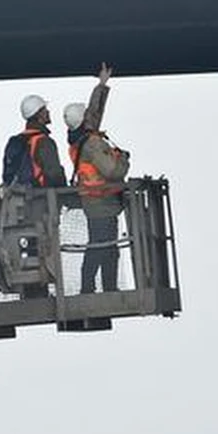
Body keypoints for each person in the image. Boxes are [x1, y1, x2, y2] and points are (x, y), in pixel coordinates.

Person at [65, 63, 130, 293]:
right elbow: (114, 171)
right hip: (103, 203)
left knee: (102, 247)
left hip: (94, 204)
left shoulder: (80, 138)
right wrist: (123, 159)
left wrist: (101, 85)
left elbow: (93, 113)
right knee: (103, 248)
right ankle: (98, 288)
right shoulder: (92, 144)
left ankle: (95, 287)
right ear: (83, 121)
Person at [2, 95, 67, 188]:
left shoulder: (15, 141)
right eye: (44, 109)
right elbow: (55, 175)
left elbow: (7, 175)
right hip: (41, 198)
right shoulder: (44, 142)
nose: (48, 112)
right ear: (39, 114)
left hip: (18, 198)